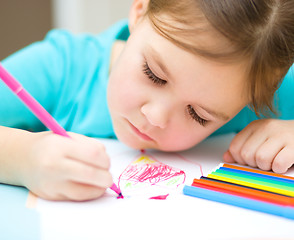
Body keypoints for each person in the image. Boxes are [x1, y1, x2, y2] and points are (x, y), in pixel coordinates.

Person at [0, 0, 293, 201]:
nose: (155, 116)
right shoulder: (60, 68)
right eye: (153, 75)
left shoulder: (268, 91)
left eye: (198, 114)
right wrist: (22, 158)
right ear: (139, 12)